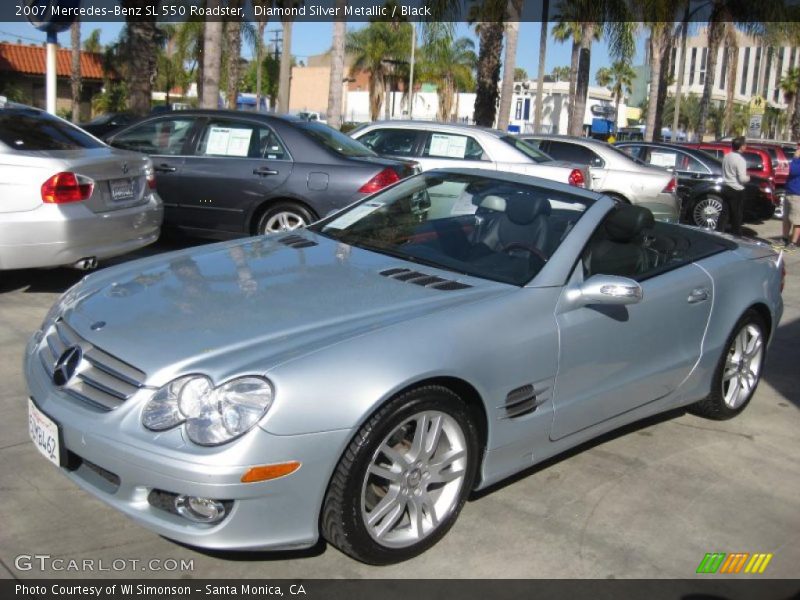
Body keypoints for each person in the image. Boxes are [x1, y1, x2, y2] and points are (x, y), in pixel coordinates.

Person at [721, 136, 750, 235]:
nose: (746, 146)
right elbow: (742, 179)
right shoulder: (740, 160)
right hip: (736, 189)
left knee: (724, 212)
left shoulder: (726, 156)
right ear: (741, 147)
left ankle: (718, 231)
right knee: (736, 215)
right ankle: (737, 234)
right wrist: (748, 178)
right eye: (745, 145)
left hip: (726, 186)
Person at [783, 144, 800, 249]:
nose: (797, 150)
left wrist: (795, 158)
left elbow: (793, 170)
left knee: (797, 220)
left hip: (797, 195)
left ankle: (793, 242)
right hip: (789, 192)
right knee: (786, 219)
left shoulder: (796, 162)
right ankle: (784, 238)